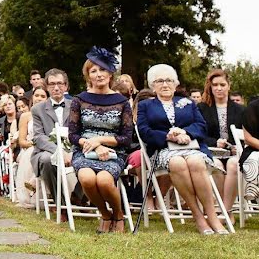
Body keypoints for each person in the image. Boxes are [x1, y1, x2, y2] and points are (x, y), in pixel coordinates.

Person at [137, 63, 229, 235]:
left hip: (192, 147)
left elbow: (201, 126)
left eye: (169, 80)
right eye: (160, 81)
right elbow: (144, 131)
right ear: (152, 85)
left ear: (176, 83)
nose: (165, 84)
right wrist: (168, 136)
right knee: (178, 163)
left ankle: (212, 216)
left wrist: (186, 133)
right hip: (163, 150)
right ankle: (198, 217)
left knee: (195, 162)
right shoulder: (145, 106)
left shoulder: (187, 103)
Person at [69, 47, 132, 234]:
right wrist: (90, 144)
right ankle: (105, 214)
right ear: (88, 75)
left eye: (102, 69)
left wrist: (100, 140)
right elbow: (73, 134)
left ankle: (118, 215)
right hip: (84, 150)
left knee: (104, 181)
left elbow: (126, 138)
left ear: (110, 72)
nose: (98, 74)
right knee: (87, 178)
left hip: (113, 152)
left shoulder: (122, 102)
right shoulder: (79, 100)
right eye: (93, 71)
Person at [198, 69, 245, 214]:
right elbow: (198, 135)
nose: (218, 88)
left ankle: (226, 210)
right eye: (215, 85)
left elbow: (247, 134)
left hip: (234, 153)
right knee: (217, 166)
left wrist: (239, 146)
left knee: (233, 165)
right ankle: (222, 210)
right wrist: (214, 142)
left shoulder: (241, 110)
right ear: (210, 87)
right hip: (211, 151)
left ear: (228, 86)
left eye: (222, 85)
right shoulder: (202, 108)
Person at [31, 68, 76, 201]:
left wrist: (72, 151)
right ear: (46, 87)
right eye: (52, 84)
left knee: (87, 159)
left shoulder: (75, 106)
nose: (56, 88)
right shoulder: (37, 109)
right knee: (46, 160)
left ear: (66, 86)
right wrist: (59, 151)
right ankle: (60, 203)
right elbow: (39, 137)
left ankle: (79, 198)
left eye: (60, 84)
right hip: (48, 150)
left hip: (73, 148)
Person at [0, 94, 20, 197]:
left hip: (18, 147)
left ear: (14, 105)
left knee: (3, 155)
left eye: (10, 104)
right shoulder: (1, 121)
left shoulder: (20, 117)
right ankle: (1, 187)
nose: (8, 106)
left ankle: (8, 188)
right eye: (5, 105)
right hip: (6, 147)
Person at [240, 98, 259, 201]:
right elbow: (248, 139)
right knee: (255, 159)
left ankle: (254, 186)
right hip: (255, 149)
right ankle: (253, 184)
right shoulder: (253, 107)